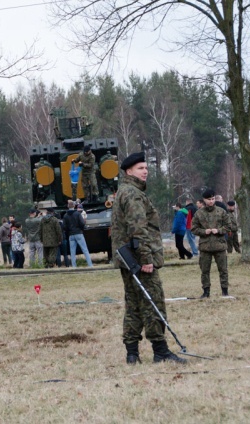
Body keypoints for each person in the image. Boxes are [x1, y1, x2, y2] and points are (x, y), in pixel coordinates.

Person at [111, 151, 187, 364]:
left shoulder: (124, 192)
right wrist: (146, 259)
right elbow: (138, 229)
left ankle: (132, 353)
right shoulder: (133, 194)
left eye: (146, 168)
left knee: (133, 305)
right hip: (138, 260)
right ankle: (160, 351)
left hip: (128, 259)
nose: (145, 172)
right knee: (152, 302)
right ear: (129, 171)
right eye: (140, 168)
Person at [191, 189, 231, 298]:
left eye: (213, 199)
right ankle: (206, 292)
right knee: (205, 271)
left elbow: (229, 226)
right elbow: (193, 228)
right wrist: (204, 232)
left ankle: (225, 291)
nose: (211, 201)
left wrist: (219, 230)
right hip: (205, 247)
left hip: (220, 245)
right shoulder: (198, 213)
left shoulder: (221, 211)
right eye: (209, 199)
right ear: (204, 200)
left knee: (223, 270)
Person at [63, 199, 93, 268]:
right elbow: (82, 223)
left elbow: (64, 227)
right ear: (74, 206)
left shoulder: (65, 216)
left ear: (68, 206)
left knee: (72, 252)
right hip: (79, 233)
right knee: (85, 250)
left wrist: (69, 231)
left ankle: (74, 266)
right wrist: (81, 229)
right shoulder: (77, 214)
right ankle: (90, 265)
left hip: (71, 235)